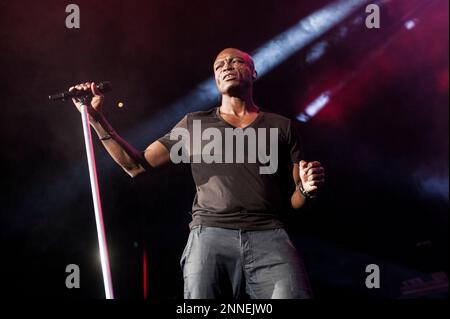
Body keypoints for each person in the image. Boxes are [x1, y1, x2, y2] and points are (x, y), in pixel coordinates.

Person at [69, 48, 325, 299]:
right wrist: (94, 118)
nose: (226, 66)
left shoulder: (281, 126)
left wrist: (306, 189)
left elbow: (296, 200)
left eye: (236, 61)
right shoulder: (195, 124)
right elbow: (135, 166)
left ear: (253, 72)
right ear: (215, 79)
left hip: (269, 236)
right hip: (211, 237)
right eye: (219, 65)